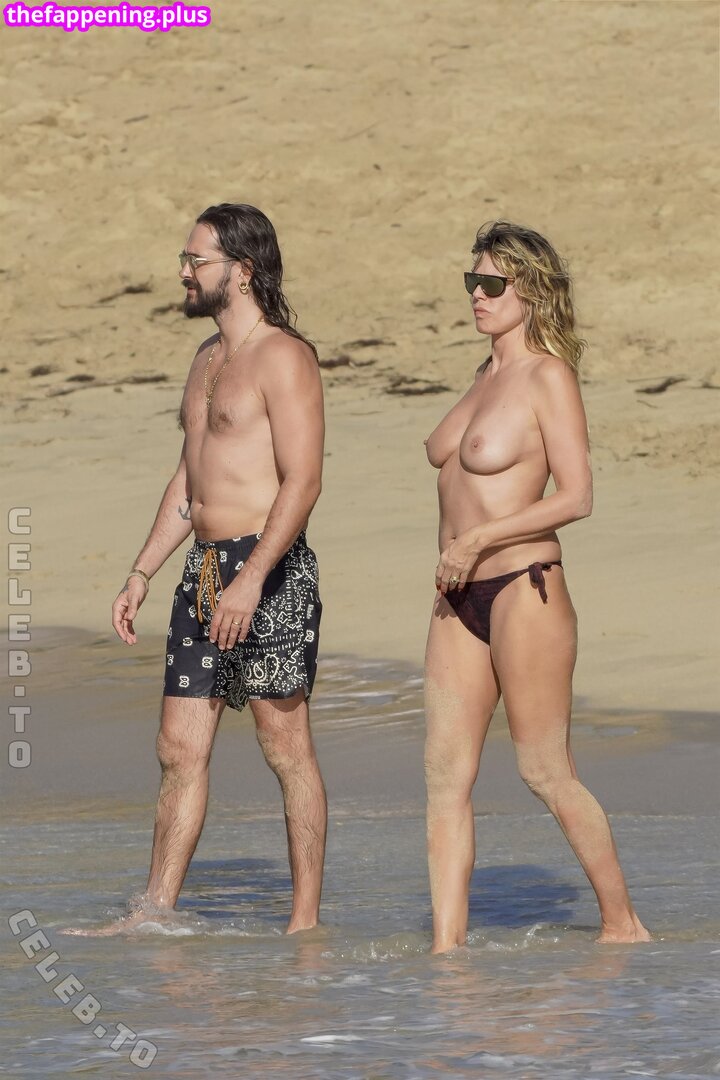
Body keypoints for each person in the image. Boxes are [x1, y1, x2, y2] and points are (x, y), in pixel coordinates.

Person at [423, 221, 650, 954]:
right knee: (444, 779)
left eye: (493, 284)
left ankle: (622, 924)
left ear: (531, 290)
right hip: (455, 599)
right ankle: (447, 955)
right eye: (473, 282)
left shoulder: (547, 376)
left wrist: (479, 539)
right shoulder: (484, 375)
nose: (478, 295)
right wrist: (461, 551)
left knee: (544, 770)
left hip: (525, 586)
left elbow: (577, 496)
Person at [104, 203, 325, 934]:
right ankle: (155, 910)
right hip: (201, 572)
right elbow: (188, 481)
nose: (184, 272)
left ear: (243, 270)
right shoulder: (206, 358)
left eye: (196, 260)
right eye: (186, 258)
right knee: (178, 749)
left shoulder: (284, 357)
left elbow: (304, 480)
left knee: (284, 748)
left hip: (268, 569)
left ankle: (303, 924)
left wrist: (253, 577)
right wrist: (141, 571)